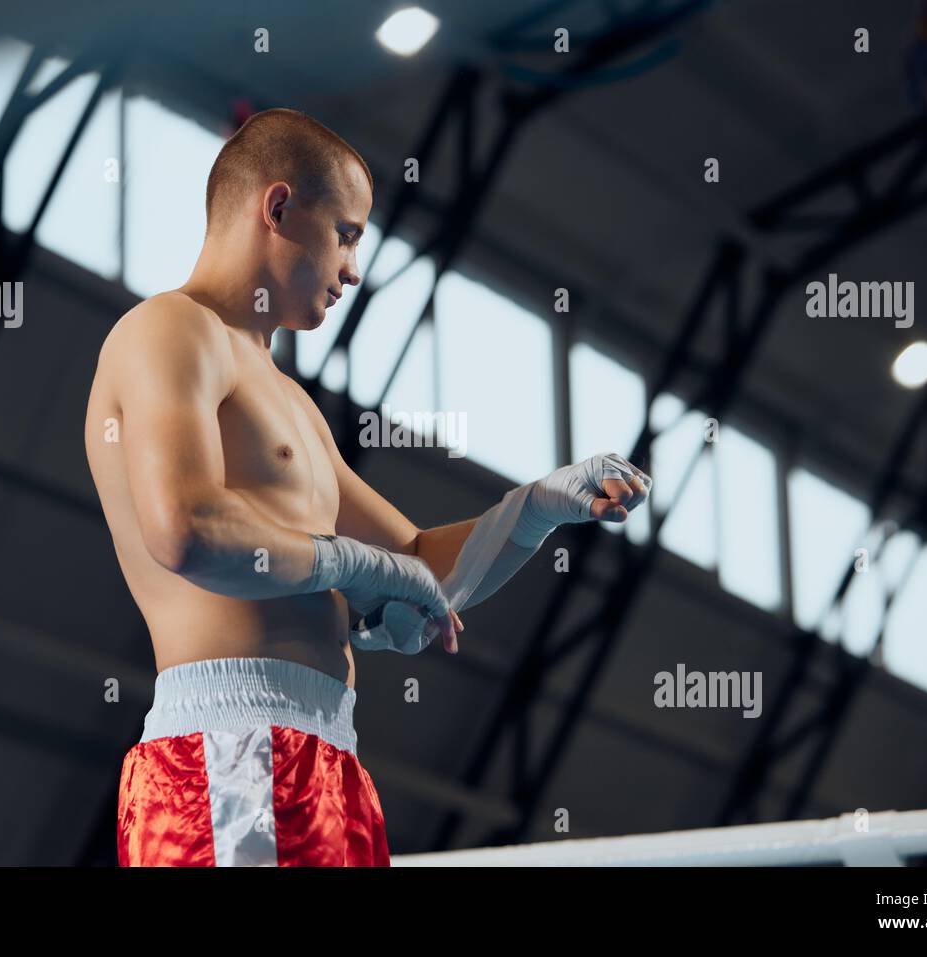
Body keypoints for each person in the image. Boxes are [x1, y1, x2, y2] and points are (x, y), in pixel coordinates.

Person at [83, 107, 651, 867]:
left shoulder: (292, 405)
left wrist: (539, 506)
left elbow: (416, 559)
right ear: (279, 208)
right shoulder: (169, 330)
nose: (354, 268)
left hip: (329, 759)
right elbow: (184, 527)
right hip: (228, 756)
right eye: (346, 234)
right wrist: (353, 566)